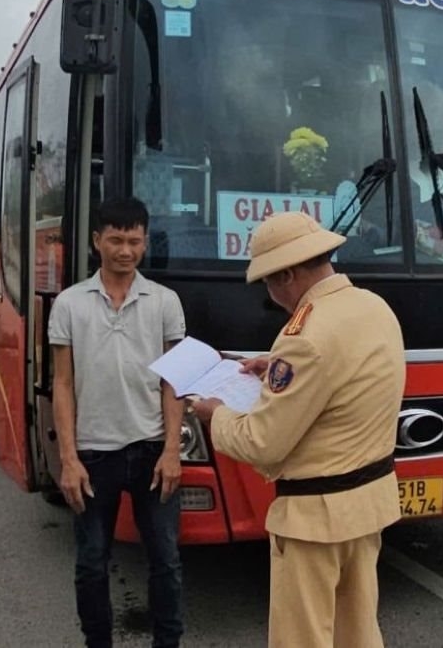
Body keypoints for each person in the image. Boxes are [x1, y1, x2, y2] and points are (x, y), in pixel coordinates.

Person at [191, 211, 406, 648]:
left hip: (313, 518)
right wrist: (274, 369)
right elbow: (348, 375)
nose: (271, 297)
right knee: (358, 632)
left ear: (287, 273)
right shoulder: (372, 306)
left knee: (302, 639)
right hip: (367, 504)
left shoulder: (303, 335)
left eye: (269, 283)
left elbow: (263, 442)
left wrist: (216, 414)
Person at [49, 196, 186, 648]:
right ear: (96, 241)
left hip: (151, 451)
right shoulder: (69, 305)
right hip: (92, 454)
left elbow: (173, 383)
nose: (124, 250)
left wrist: (171, 451)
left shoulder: (165, 302)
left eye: (134, 241)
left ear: (145, 243)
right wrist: (68, 459)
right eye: (115, 240)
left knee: (165, 560)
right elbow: (63, 384)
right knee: (91, 562)